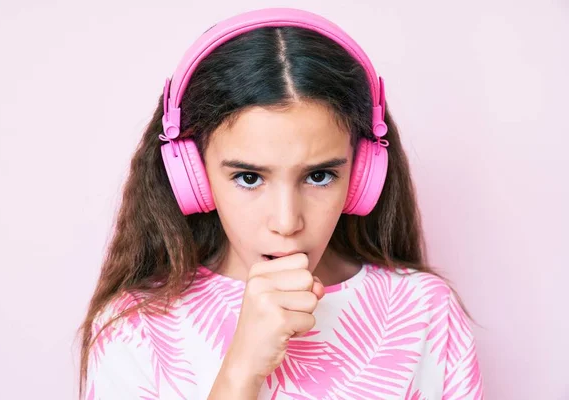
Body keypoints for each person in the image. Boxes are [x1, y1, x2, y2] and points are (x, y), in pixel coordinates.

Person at [78, 7, 484, 400]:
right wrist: (240, 373)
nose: (287, 222)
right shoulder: (134, 329)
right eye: (249, 178)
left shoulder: (426, 312)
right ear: (194, 178)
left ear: (363, 177)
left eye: (319, 176)